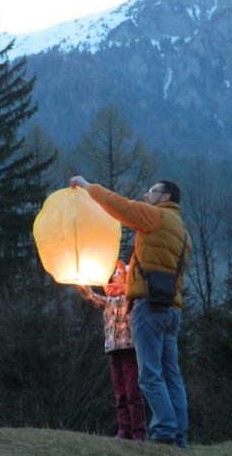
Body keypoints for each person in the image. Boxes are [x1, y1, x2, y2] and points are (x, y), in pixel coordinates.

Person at [69, 176, 192, 448]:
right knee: (172, 375)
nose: (147, 194)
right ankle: (179, 436)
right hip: (173, 309)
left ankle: (164, 432)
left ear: (166, 198)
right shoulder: (182, 231)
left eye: (152, 191)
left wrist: (88, 187)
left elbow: (119, 206)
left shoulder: (156, 217)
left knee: (149, 375)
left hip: (149, 307)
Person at [76, 260, 146, 441]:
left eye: (117, 276)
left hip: (130, 349)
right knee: (120, 393)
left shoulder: (131, 299)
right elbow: (92, 298)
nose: (113, 278)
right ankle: (124, 430)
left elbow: (135, 289)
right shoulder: (108, 302)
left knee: (132, 392)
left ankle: (138, 432)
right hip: (112, 349)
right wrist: (81, 284)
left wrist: (125, 272)